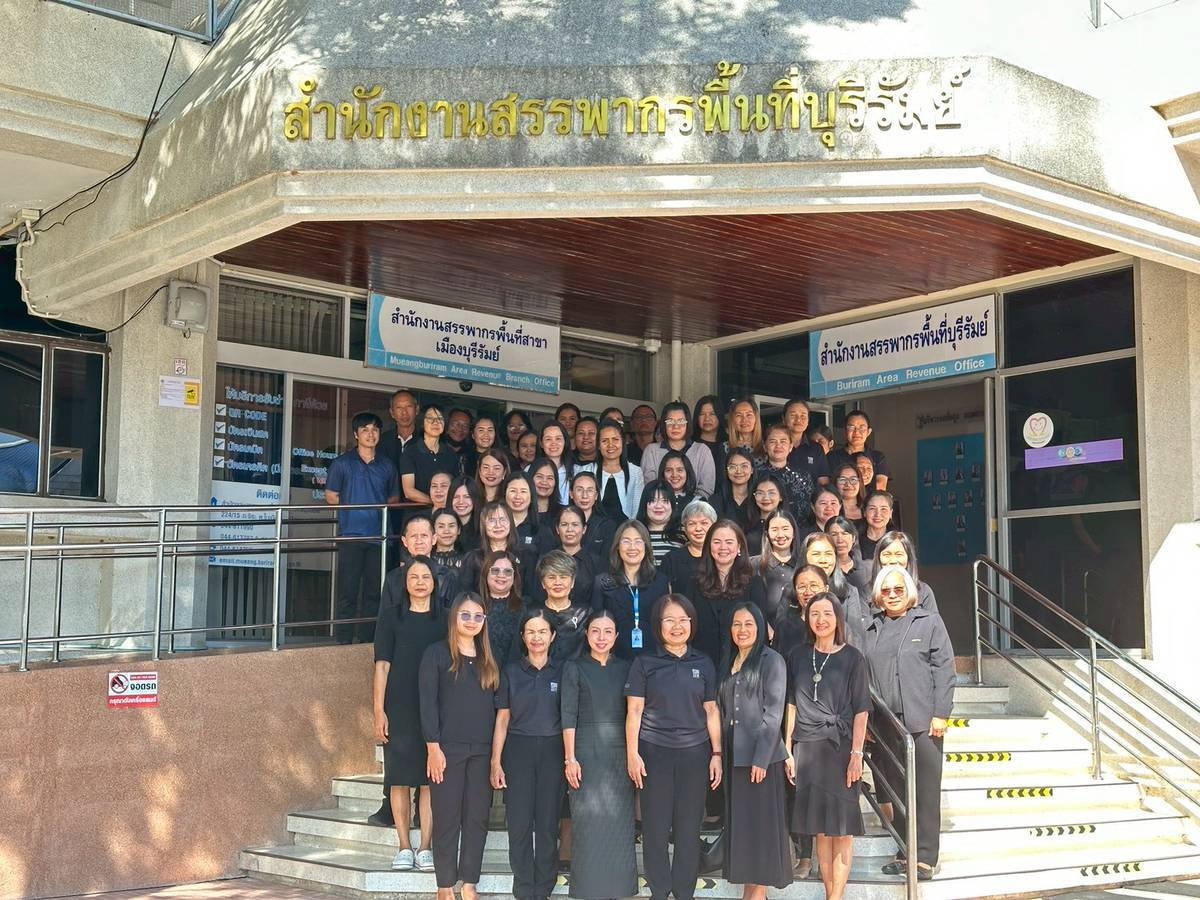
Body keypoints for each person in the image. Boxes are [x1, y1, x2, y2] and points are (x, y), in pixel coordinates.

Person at [625, 594, 723, 900]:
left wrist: (717, 754)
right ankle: (659, 891)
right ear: (658, 624)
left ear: (692, 623)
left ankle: (683, 892)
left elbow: (711, 710)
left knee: (688, 829)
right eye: (670, 620)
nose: (677, 626)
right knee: (654, 828)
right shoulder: (644, 663)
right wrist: (632, 753)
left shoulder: (703, 663)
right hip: (654, 752)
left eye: (683, 620)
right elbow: (634, 711)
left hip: (695, 754)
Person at [863, 565, 955, 881]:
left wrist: (941, 713)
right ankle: (906, 851)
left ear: (909, 592)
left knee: (924, 790)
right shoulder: (871, 628)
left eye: (898, 589)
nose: (892, 595)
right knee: (897, 790)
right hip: (885, 724)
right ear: (878, 594)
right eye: (886, 590)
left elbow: (944, 669)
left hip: (923, 721)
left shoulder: (929, 622)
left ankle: (925, 857)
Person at [784, 592, 870, 900]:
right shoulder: (796, 655)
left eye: (827, 614)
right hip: (807, 749)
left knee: (842, 829)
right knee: (820, 827)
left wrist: (856, 754)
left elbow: (861, 710)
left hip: (840, 749)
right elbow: (791, 705)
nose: (821, 620)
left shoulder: (853, 658)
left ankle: (836, 897)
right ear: (807, 619)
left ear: (838, 619)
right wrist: (787, 749)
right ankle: (828, 893)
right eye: (815, 614)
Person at [419, 593, 499, 900]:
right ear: (454, 617)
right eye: (465, 615)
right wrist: (433, 747)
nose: (472, 621)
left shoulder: (489, 659)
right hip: (446, 750)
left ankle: (469, 883)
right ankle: (444, 885)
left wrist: (495, 757)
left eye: (478, 616)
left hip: (482, 750)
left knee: (477, 818)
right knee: (447, 817)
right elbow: (427, 704)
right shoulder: (436, 654)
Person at [373, 556, 445, 872]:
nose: (419, 582)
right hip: (399, 706)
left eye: (425, 577)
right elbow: (382, 666)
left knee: (431, 779)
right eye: (413, 577)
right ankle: (404, 846)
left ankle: (426, 847)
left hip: (436, 706)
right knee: (399, 778)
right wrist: (378, 710)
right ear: (405, 582)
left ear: (434, 582)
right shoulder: (391, 616)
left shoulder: (446, 618)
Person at [491, 608, 568, 900]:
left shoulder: (564, 671)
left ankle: (543, 886)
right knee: (519, 823)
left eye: (542, 632)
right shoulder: (511, 672)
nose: (537, 638)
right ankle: (524, 887)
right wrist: (496, 761)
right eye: (531, 632)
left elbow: (570, 719)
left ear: (553, 636)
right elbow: (502, 719)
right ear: (523, 637)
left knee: (548, 823)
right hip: (518, 751)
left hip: (553, 750)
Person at [562, 610, 638, 900]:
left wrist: (632, 754)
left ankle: (620, 890)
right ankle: (588, 891)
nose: (601, 637)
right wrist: (570, 757)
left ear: (617, 636)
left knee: (619, 826)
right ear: (586, 634)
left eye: (608, 631)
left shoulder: (627, 668)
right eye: (595, 631)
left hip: (619, 755)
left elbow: (633, 713)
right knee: (588, 826)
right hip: (584, 753)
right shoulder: (574, 667)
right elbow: (568, 714)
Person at [719, 603, 793, 897]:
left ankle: (758, 895)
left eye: (749, 624)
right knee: (745, 833)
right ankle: (749, 894)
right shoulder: (729, 659)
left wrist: (761, 759)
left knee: (761, 832)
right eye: (737, 624)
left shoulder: (771, 660)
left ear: (760, 627)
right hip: (734, 758)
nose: (742, 630)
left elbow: (773, 714)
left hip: (761, 761)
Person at [325, 411, 399, 644]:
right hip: (350, 536)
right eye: (365, 430)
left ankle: (367, 640)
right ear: (356, 434)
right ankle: (344, 640)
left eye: (375, 429)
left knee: (373, 593)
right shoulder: (342, 463)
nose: (370, 434)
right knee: (347, 591)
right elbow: (331, 496)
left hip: (379, 537)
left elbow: (394, 498)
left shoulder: (387, 465)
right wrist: (355, 506)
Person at [688, 519, 768, 665]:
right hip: (701, 664)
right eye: (717, 542)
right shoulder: (694, 584)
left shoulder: (754, 584)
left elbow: (761, 632)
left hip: (741, 665)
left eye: (729, 542)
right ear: (709, 546)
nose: (723, 547)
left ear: (739, 547)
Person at [591, 519, 670, 659]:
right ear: (617, 546)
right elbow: (596, 625)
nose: (632, 547)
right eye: (626, 541)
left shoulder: (660, 581)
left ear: (646, 546)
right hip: (615, 659)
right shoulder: (603, 582)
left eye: (638, 541)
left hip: (653, 659)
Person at [381, 515, 462, 614]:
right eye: (413, 536)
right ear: (405, 541)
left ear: (434, 539)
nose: (419, 541)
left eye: (424, 535)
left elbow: (453, 616)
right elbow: (385, 617)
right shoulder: (393, 578)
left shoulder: (447, 576)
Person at [802, 531, 869, 646]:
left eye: (828, 554)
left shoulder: (849, 592)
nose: (823, 560)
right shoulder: (792, 591)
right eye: (816, 554)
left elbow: (856, 638)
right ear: (805, 557)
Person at [640, 401, 717, 498]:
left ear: (688, 423)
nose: (676, 426)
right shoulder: (651, 451)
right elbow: (649, 486)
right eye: (670, 421)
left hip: (695, 506)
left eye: (681, 421)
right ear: (664, 424)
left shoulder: (702, 451)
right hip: (660, 505)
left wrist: (689, 505)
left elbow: (706, 489)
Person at [399, 403, 461, 515]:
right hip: (417, 515)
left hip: (444, 515)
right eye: (430, 418)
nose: (435, 422)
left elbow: (456, 487)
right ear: (422, 423)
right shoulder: (410, 452)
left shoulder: (451, 454)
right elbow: (409, 491)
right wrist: (436, 503)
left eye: (440, 419)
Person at [530, 505, 597, 608]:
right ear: (557, 529)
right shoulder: (545, 560)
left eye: (575, 525)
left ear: (584, 529)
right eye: (564, 524)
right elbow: (537, 596)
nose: (570, 529)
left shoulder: (596, 563)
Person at [460, 501, 528, 595]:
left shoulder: (526, 555)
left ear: (511, 523)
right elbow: (466, 594)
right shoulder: (473, 558)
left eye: (503, 519)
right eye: (492, 521)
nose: (498, 525)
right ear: (484, 525)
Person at [536, 550, 591, 662]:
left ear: (573, 582)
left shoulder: (585, 614)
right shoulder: (533, 613)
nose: (558, 583)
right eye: (551, 577)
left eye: (563, 577)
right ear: (543, 583)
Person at [751, 509, 802, 624]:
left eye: (785, 529)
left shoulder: (804, 565)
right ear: (767, 534)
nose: (780, 535)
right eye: (774, 530)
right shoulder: (753, 565)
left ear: (794, 532)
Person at [479, 548, 526, 670]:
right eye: (495, 570)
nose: (501, 575)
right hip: (481, 672)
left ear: (514, 576)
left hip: (516, 675)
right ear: (486, 574)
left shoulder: (525, 608)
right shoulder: (475, 606)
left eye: (508, 571)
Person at [870, 531, 940, 613]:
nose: (893, 561)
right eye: (887, 555)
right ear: (878, 558)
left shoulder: (923, 591)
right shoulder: (867, 591)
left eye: (899, 554)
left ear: (908, 558)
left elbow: (933, 620)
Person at [772, 564, 829, 662]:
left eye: (814, 586)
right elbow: (776, 664)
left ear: (826, 589)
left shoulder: (837, 626)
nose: (808, 592)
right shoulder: (784, 628)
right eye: (802, 587)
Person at [763, 423, 815, 525]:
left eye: (783, 441)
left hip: (802, 530)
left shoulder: (803, 476)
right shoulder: (756, 474)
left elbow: (811, 506)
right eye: (773, 441)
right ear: (765, 446)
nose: (778, 446)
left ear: (790, 446)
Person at [591, 419, 644, 520]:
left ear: (623, 442)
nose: (610, 445)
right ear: (598, 445)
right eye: (604, 441)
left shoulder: (635, 472)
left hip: (626, 527)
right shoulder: (588, 470)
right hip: (594, 528)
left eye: (615, 439)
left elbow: (637, 509)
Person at [661, 498, 716, 591]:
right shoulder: (671, 559)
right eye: (692, 524)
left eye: (704, 523)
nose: (698, 528)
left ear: (714, 527)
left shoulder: (722, 555)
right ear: (685, 529)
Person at [827, 411, 889, 491]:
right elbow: (829, 485)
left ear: (868, 432)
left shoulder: (878, 457)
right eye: (851, 427)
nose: (856, 432)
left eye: (861, 428)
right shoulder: (832, 457)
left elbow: (880, 486)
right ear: (845, 431)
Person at [566, 470, 617, 562]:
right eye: (579, 490)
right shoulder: (561, 522)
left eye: (589, 490)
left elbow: (607, 561)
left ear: (596, 495)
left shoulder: (607, 526)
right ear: (571, 494)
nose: (584, 495)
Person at [783, 399, 831, 486]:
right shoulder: (777, 446)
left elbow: (823, 481)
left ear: (808, 421)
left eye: (803, 416)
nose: (798, 420)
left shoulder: (816, 448)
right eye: (793, 415)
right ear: (783, 419)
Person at [637, 479, 683, 565]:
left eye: (664, 501)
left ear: (672, 505)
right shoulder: (635, 531)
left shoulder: (684, 532)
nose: (658, 506)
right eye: (652, 500)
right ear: (644, 504)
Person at [744, 472, 788, 551]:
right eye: (760, 493)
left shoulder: (789, 525)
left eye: (771, 493)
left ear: (781, 497)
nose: (766, 498)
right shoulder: (746, 526)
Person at [826, 515, 869, 597]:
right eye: (834, 534)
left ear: (853, 538)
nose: (840, 540)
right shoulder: (824, 569)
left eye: (844, 534)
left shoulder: (867, 569)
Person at [713, 447, 755, 528]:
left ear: (752, 470)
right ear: (726, 471)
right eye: (732, 467)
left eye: (744, 466)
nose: (738, 471)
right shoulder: (715, 501)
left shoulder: (759, 499)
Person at [503, 470, 541, 552]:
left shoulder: (542, 530)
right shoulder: (496, 526)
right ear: (504, 494)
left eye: (523, 491)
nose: (517, 496)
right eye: (513, 491)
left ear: (531, 496)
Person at [692, 394, 728, 476]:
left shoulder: (729, 444)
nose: (707, 418)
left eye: (712, 414)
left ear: (719, 415)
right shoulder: (690, 444)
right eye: (702, 414)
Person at [539, 421, 573, 505]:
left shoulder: (575, 470)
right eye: (548, 439)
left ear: (565, 442)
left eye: (558, 439)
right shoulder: (530, 470)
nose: (553, 443)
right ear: (541, 444)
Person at [859, 491, 897, 560]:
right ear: (864, 512)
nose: (878, 514)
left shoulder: (898, 541)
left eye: (883, 509)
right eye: (872, 508)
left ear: (890, 513)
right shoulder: (855, 541)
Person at [725, 397, 764, 463]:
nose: (744, 420)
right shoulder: (725, 447)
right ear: (732, 420)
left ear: (756, 418)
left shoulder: (766, 445)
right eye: (739, 415)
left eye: (749, 415)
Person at [448, 476, 480, 552]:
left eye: (467, 497)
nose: (461, 501)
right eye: (456, 497)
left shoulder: (483, 526)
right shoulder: (442, 525)